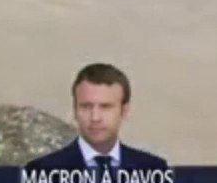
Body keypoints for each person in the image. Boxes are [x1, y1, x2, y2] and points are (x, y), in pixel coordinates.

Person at [25, 62, 167, 170]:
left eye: (105, 107)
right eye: (86, 107)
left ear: (124, 111)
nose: (95, 117)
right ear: (75, 110)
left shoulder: (153, 169)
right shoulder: (41, 171)